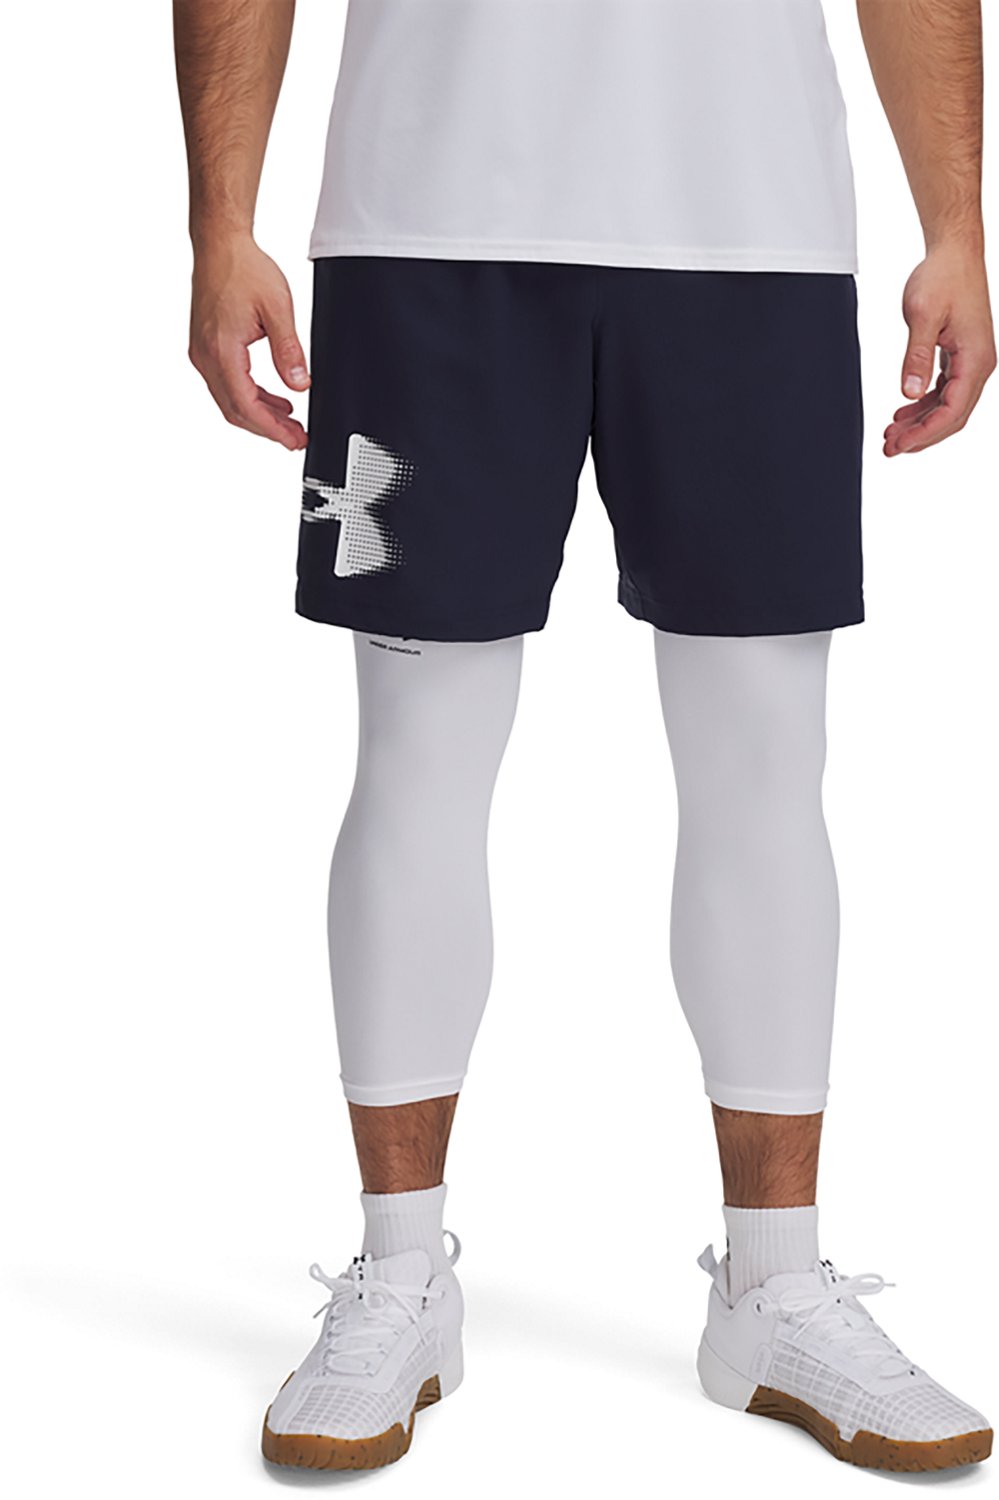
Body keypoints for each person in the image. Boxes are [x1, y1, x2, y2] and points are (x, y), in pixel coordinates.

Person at [174, 0, 995, 1474]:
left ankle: (775, 1286)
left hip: (753, 233)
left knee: (764, 755)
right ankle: (400, 1276)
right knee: (417, 750)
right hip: (423, 234)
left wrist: (957, 223)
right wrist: (218, 222)